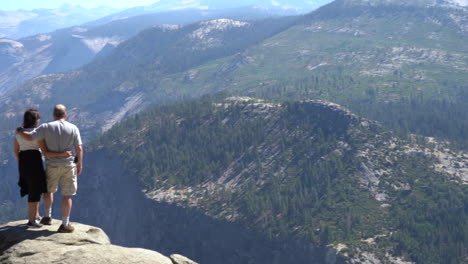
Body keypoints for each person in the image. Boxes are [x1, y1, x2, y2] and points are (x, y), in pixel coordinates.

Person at [17, 104, 83, 233]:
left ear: (54, 115)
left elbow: (30, 137)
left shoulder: (46, 127)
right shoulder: (73, 128)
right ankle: (65, 224)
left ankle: (47, 216)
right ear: (65, 114)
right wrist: (79, 163)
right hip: (68, 165)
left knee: (48, 191)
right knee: (67, 195)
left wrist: (20, 130)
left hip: (52, 164)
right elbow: (79, 148)